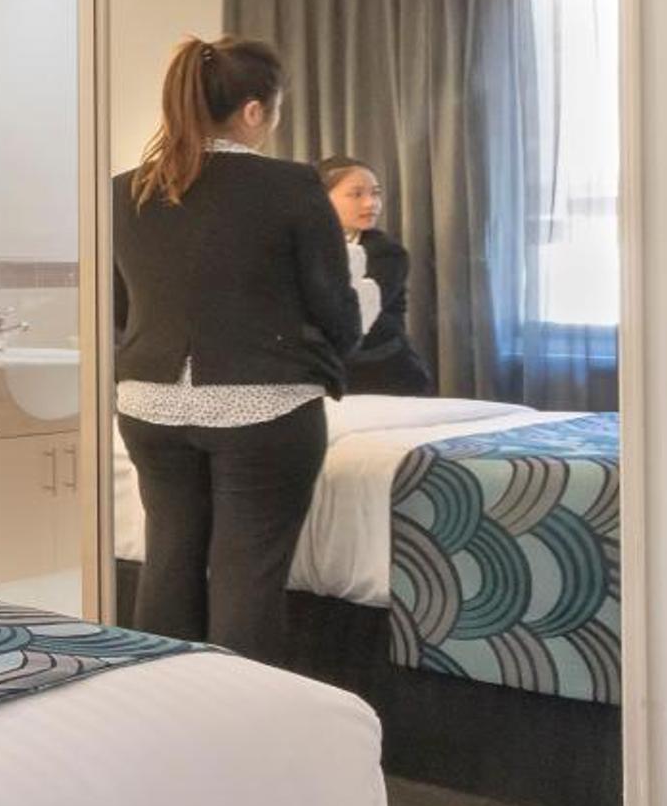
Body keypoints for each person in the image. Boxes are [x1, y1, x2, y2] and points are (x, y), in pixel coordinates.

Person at [113, 36, 362, 665]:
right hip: (263, 407)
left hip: (149, 406)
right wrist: (330, 351)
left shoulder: (124, 191)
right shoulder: (290, 186)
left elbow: (119, 310)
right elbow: (334, 305)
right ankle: (240, 714)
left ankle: (160, 700)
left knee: (168, 560)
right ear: (253, 111)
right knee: (246, 572)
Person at [318, 155, 436, 396]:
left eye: (375, 193)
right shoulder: (305, 247)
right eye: (356, 194)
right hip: (326, 376)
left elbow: (352, 315)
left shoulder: (385, 252)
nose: (370, 203)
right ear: (320, 199)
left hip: (385, 376)